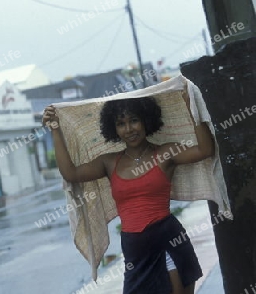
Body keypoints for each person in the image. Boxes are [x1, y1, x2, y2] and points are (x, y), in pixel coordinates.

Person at [42, 94, 215, 294]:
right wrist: (55, 130)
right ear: (114, 129)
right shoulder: (108, 162)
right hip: (136, 252)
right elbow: (71, 173)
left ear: (146, 120)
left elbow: (205, 150)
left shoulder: (165, 153)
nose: (129, 129)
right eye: (121, 123)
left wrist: (191, 108)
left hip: (169, 241)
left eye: (134, 120)